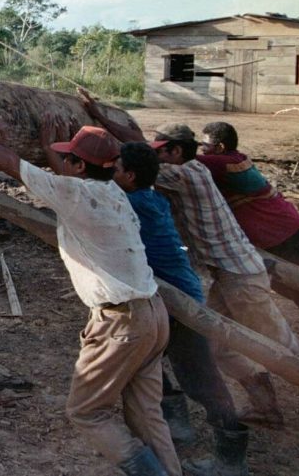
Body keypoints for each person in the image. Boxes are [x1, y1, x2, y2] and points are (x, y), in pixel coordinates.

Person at [78, 90, 299, 456]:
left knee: (287, 351)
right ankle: (265, 406)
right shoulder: (196, 169)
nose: (157, 156)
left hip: (240, 278)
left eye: (162, 151)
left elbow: (134, 163)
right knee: (217, 346)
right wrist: (102, 117)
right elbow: (139, 150)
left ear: (175, 152)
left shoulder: (183, 176)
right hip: (231, 274)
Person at [0, 91, 180, 476]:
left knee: (87, 412)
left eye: (67, 156)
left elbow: (12, 165)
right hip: (154, 316)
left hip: (122, 324)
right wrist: (47, 146)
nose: (62, 162)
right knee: (146, 415)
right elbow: (63, 178)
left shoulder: (74, 191)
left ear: (77, 164)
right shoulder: (115, 192)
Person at [115, 142, 248, 476]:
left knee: (202, 380)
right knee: (144, 360)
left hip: (181, 303)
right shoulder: (150, 196)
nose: (108, 172)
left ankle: (231, 460)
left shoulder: (133, 202)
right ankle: (177, 423)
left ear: (130, 176)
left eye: (114, 168)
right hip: (168, 296)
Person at [198, 121, 299, 358]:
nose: (201, 150)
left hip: (281, 234)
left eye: (204, 145)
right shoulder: (234, 160)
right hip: (286, 229)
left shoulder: (220, 163)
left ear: (219, 146)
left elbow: (178, 161)